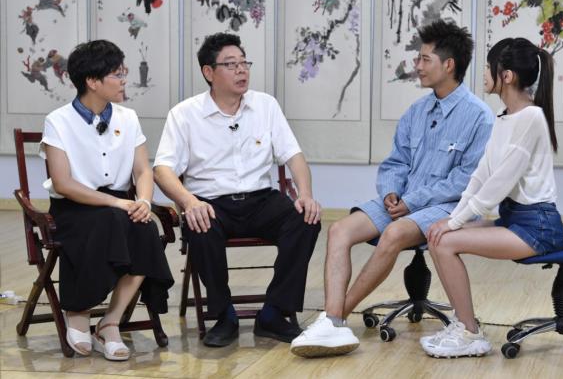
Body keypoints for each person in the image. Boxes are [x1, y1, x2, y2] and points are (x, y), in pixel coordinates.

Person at [290, 19, 494, 358]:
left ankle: (333, 320)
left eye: (425, 59)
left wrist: (411, 202)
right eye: (418, 58)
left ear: (449, 65)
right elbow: (396, 162)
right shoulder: (417, 111)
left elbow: (465, 180)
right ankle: (332, 321)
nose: (418, 66)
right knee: (339, 230)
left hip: (448, 207)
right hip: (403, 201)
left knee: (394, 233)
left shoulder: (479, 117)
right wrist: (390, 191)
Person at [153, 32, 321, 347]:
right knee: (200, 223)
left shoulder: (265, 105)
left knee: (306, 219)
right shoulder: (185, 114)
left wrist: (306, 195)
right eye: (231, 64)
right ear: (209, 72)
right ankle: (223, 316)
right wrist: (189, 202)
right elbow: (162, 170)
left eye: (244, 63)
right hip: (210, 202)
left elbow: (294, 156)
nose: (241, 70)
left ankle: (274, 312)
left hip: (261, 200)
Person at [420, 37, 563, 358]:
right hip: (514, 218)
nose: (484, 74)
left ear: (507, 76)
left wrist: (455, 223)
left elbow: (499, 183)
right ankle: (464, 325)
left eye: (488, 67)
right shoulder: (504, 116)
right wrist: (452, 218)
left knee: (445, 241)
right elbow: (481, 175)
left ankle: (469, 332)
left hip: (537, 226)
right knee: (437, 235)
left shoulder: (531, 118)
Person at [40, 40, 174, 361]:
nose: (124, 80)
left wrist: (143, 201)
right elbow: (63, 183)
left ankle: (110, 322)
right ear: (92, 81)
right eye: (117, 74)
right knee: (112, 220)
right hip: (75, 206)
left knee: (145, 228)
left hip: (121, 204)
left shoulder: (128, 118)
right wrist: (118, 204)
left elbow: (143, 170)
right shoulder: (58, 120)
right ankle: (78, 311)